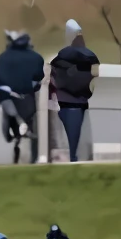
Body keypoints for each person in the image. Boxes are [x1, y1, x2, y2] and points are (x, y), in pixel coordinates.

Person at [50, 19, 99, 162]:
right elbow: (94, 78)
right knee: (77, 135)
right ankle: (75, 157)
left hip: (64, 101)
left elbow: (54, 77)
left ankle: (72, 157)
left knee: (68, 135)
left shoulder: (60, 57)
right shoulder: (91, 56)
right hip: (82, 101)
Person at [0, 29, 44, 163]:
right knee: (33, 130)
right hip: (30, 101)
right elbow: (38, 79)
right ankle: (33, 158)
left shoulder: (1, 59)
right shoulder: (36, 58)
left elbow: (0, 84)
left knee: (15, 132)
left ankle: (17, 155)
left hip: (10, 102)